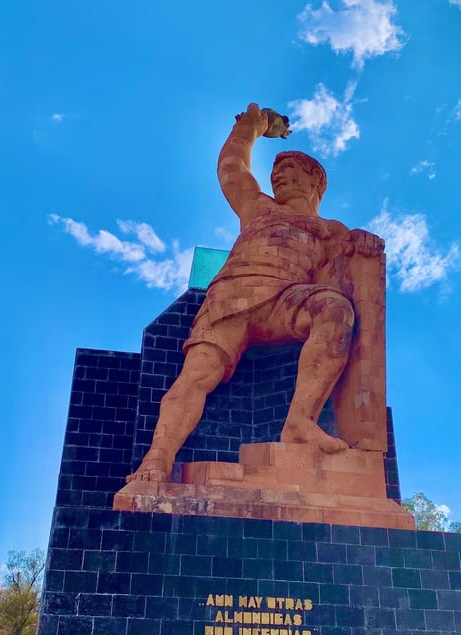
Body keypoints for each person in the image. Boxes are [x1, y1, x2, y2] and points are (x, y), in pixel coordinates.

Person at [130, 103, 387, 483]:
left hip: (287, 298)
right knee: (196, 377)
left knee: (335, 310)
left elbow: (350, 262)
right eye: (275, 172)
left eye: (290, 172)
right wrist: (251, 127)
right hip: (232, 297)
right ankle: (156, 461)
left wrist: (364, 241)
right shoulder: (257, 205)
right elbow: (232, 167)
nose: (279, 178)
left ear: (316, 181)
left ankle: (300, 421)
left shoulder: (330, 229)